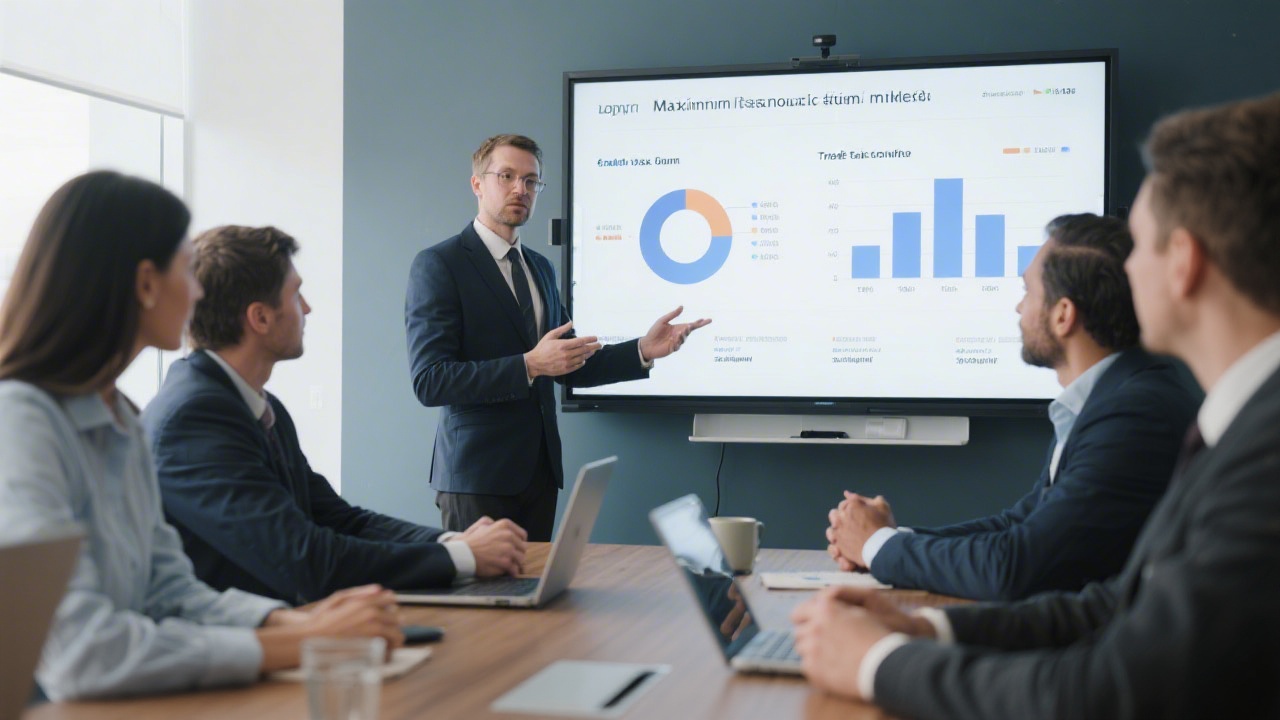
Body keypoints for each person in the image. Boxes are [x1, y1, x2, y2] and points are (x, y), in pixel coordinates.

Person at [792, 92, 1280, 718]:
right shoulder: (1234, 427)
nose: (1125, 272)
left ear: (1183, 263)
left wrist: (875, 662)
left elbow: (1108, 690)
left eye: (1138, 248)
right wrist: (928, 630)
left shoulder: (1254, 450)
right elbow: (1118, 604)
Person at [0, 172, 402, 701]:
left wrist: (288, 621)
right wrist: (304, 641)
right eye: (188, 270)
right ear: (146, 283)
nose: (198, 292)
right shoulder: (21, 420)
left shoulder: (121, 415)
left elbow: (169, 592)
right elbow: (82, 653)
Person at [142, 225, 527, 605]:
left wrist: (452, 541)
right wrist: (463, 558)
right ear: (259, 318)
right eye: (296, 294)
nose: (307, 308)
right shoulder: (194, 417)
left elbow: (341, 519)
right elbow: (307, 559)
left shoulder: (260, 406)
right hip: (238, 651)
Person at [825, 213, 1200, 601]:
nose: (1018, 308)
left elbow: (1015, 566)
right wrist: (885, 539)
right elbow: (1018, 525)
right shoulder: (1109, 397)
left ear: (1063, 315)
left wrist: (877, 544)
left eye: (1027, 291)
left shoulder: (1133, 415)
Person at [405, 134, 710, 540]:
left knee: (537, 600)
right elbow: (431, 381)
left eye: (531, 181)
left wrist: (641, 350)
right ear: (477, 184)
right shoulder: (439, 265)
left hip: (540, 476)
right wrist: (530, 365)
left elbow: (569, 364)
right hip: (476, 478)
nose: (521, 189)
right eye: (508, 176)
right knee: (479, 601)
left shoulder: (540, 268)